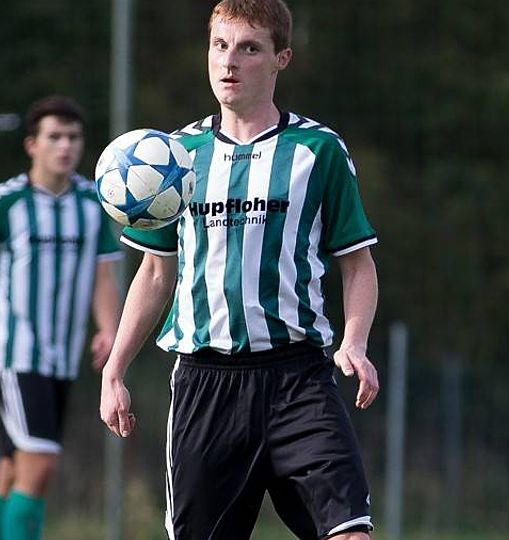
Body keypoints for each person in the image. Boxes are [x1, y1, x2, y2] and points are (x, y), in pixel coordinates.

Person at [99, 1, 380, 538]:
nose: (229, 61)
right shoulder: (174, 157)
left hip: (299, 378)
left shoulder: (317, 151)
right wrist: (114, 371)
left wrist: (355, 341)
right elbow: (155, 274)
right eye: (220, 45)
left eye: (249, 48)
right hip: (207, 384)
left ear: (281, 59)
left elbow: (358, 263)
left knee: (350, 533)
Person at [0, 95, 123, 540]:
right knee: (39, 467)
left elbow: (103, 274)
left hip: (61, 359)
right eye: (54, 137)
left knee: (11, 472)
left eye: (73, 137)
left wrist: (109, 328)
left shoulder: (93, 202)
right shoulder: (4, 203)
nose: (66, 146)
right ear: (32, 145)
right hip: (15, 355)